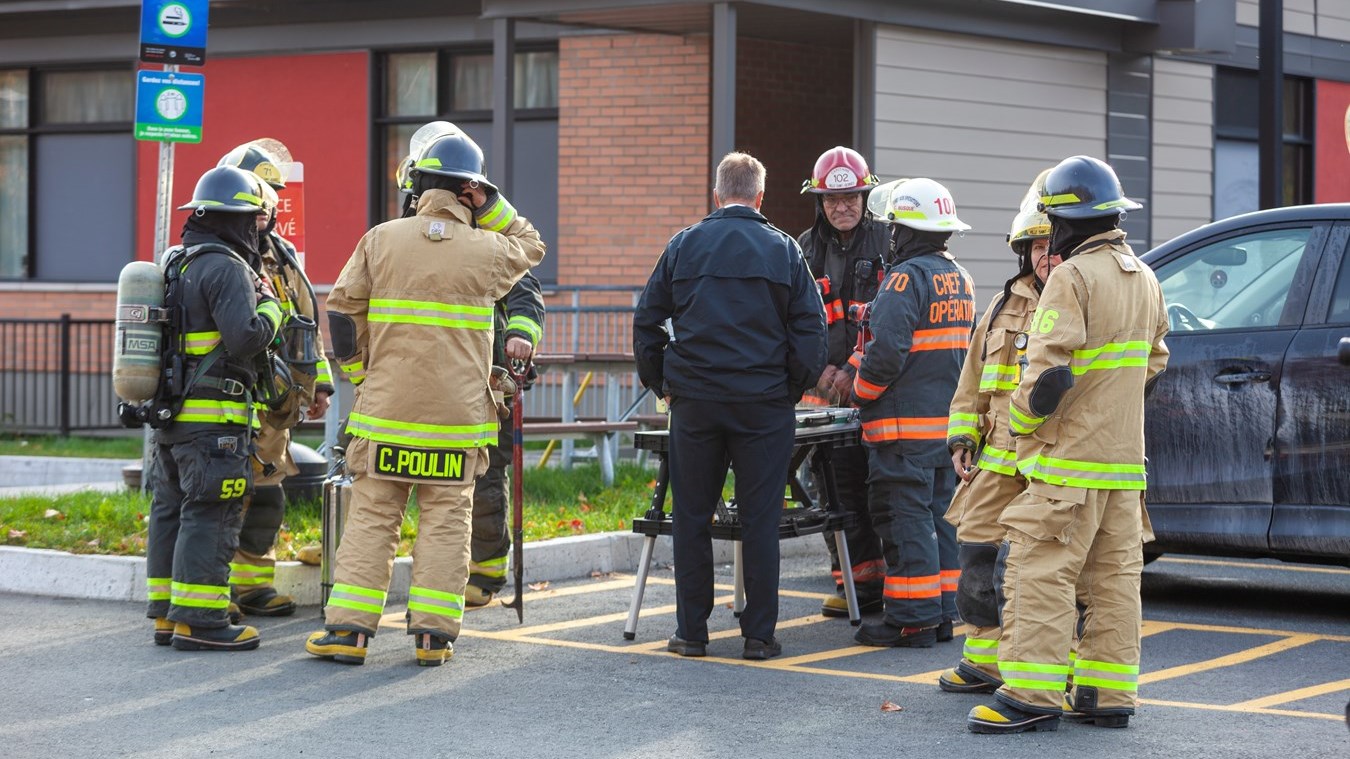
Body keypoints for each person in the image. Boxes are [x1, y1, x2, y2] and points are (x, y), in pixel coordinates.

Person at [305, 129, 544, 667]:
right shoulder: (489, 250)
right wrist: (493, 204)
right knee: (446, 521)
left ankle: (348, 632)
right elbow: (533, 244)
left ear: (415, 184)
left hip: (386, 413)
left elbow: (342, 314)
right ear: (470, 192)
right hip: (458, 422)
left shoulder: (381, 239)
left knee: (372, 517)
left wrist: (363, 375)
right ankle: (434, 638)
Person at [967, 155, 1168, 734]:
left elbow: (1047, 376)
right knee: (1113, 579)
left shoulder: (1071, 278)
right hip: (1124, 468)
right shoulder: (1144, 276)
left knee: (1040, 570)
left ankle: (1031, 696)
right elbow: (1154, 361)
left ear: (1067, 222)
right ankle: (1107, 695)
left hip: (1068, 466)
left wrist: (1023, 427)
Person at [634, 152, 827, 661]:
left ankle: (691, 633)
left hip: (695, 403)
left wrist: (663, 383)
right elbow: (812, 332)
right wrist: (788, 389)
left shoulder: (683, 246)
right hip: (763, 405)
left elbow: (646, 321)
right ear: (760, 197)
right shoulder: (784, 250)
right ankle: (759, 636)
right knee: (761, 519)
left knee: (691, 516)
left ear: (716, 195)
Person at [143, 166, 285, 651]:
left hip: (172, 420)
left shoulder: (177, 261)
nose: (256, 231)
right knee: (212, 512)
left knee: (171, 510)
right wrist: (272, 309)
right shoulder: (225, 265)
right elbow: (245, 340)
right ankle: (201, 621)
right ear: (238, 220)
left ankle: (167, 614)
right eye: (253, 222)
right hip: (215, 423)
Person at [938, 169, 1058, 692]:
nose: (1044, 256)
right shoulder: (1003, 305)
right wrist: (963, 437)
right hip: (997, 455)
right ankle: (985, 660)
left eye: (1053, 245)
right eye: (1036, 246)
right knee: (977, 552)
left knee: (1040, 568)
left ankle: (1055, 667)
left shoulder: (1078, 299)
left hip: (1054, 457)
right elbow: (971, 381)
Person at [851, 177, 975, 648]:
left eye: (893, 227)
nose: (889, 235)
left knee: (904, 523)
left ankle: (911, 618)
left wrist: (860, 394)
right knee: (941, 520)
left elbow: (885, 354)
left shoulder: (905, 279)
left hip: (902, 434)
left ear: (905, 229)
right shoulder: (958, 277)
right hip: (944, 432)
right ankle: (943, 612)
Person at [216, 140, 334, 620]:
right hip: (224, 397)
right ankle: (209, 590)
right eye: (262, 195)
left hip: (273, 401)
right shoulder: (214, 252)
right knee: (220, 499)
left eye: (273, 197)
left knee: (266, 496)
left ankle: (252, 585)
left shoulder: (282, 258)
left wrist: (319, 385)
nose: (268, 207)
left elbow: (306, 323)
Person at [797, 146, 888, 618]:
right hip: (824, 397)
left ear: (864, 195)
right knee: (835, 487)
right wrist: (818, 372)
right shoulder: (803, 249)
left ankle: (894, 582)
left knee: (881, 488)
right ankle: (856, 585)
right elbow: (789, 321)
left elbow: (892, 321)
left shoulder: (889, 242)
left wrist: (855, 369)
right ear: (819, 202)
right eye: (833, 200)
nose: (842, 207)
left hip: (875, 393)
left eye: (851, 196)